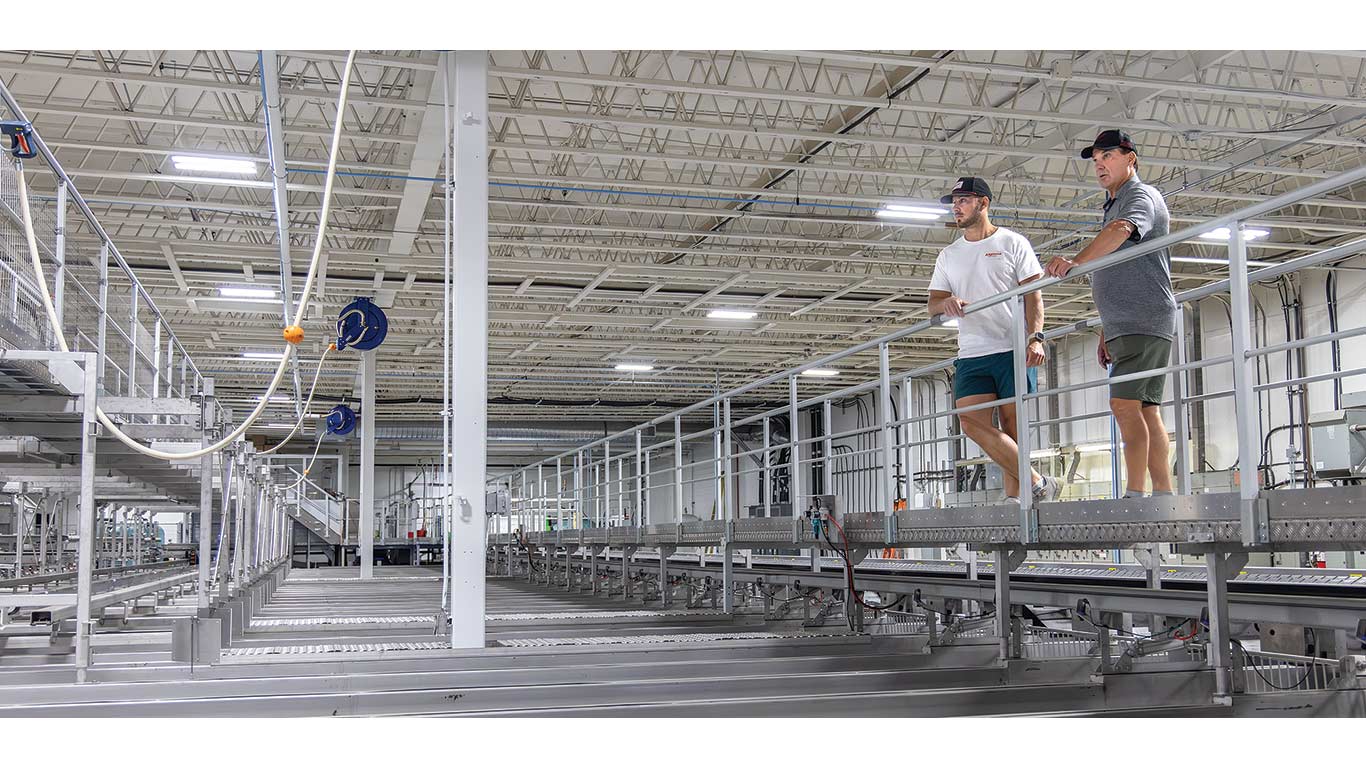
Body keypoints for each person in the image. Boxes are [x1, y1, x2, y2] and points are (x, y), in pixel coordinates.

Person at [1044, 130, 1177, 498]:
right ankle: (1162, 492)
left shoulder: (1140, 196)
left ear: (1130, 158)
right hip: (1129, 321)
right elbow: (1120, 265)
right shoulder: (1114, 202)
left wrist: (1076, 262)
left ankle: (1136, 493)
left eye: (1108, 156)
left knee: (1124, 404)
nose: (1100, 164)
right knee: (1147, 408)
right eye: (1096, 160)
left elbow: (1123, 231)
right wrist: (1107, 326)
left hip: (1143, 317)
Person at [928, 177, 1061, 505]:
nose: (956, 207)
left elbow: (1033, 296)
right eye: (954, 202)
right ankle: (1038, 482)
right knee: (971, 423)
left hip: (1011, 347)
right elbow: (933, 303)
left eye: (964, 200)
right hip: (972, 351)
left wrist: (1036, 338)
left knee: (1012, 425)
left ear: (983, 203)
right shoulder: (949, 254)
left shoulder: (1013, 243)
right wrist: (945, 304)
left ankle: (1015, 497)